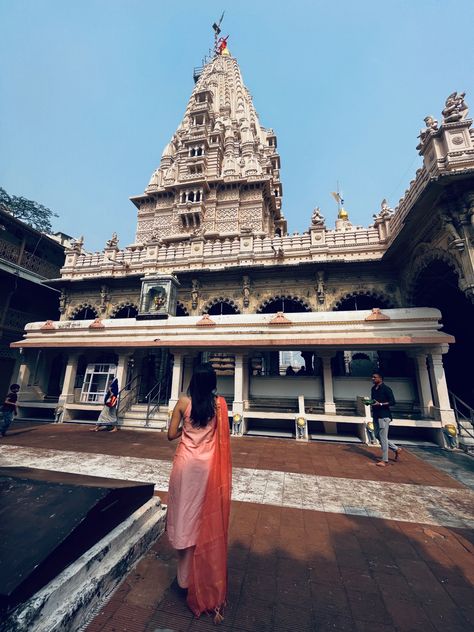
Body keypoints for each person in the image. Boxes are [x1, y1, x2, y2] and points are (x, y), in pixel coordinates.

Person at [166, 363, 231, 624]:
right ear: (213, 382)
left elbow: (171, 435)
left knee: (184, 517)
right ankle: (200, 577)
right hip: (207, 468)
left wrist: (187, 431)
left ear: (193, 380)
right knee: (203, 519)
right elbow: (223, 439)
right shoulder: (219, 406)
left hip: (185, 464)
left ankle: (184, 580)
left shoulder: (183, 402)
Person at [370, 373, 401, 467]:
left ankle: (384, 460)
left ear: (380, 378)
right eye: (372, 377)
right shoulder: (373, 389)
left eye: (375, 377)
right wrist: (370, 403)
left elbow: (392, 402)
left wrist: (381, 404)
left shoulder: (386, 389)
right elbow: (374, 400)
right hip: (376, 414)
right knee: (376, 435)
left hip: (384, 415)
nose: (373, 379)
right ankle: (396, 449)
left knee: (383, 438)